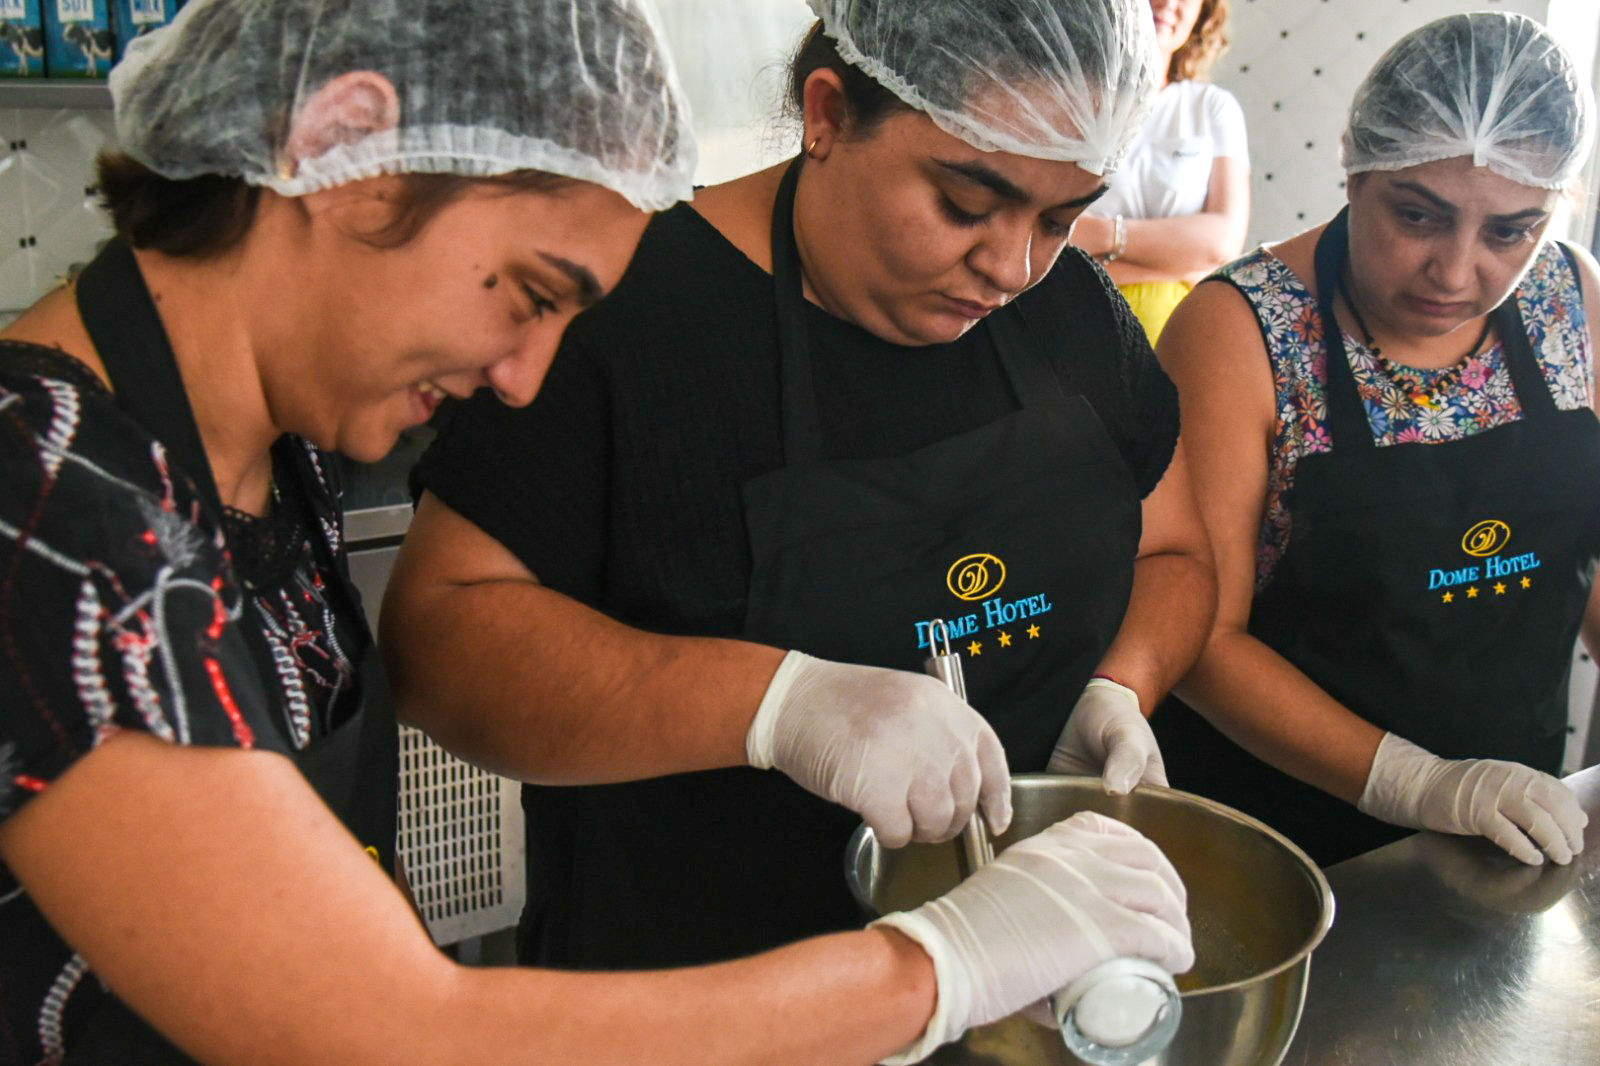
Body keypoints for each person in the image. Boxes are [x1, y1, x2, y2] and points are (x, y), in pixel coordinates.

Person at [0, 1, 1195, 1063]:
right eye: (529, 292)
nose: (524, 379)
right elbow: (384, 1029)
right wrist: (937, 970)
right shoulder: (45, 510)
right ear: (341, 154)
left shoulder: (255, 457)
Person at [384, 0, 1215, 971]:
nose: (1010, 265)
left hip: (1029, 972)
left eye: (1060, 216)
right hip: (698, 983)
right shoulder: (630, 310)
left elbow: (1174, 547)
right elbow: (436, 640)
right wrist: (781, 706)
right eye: (963, 204)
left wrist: (1120, 684)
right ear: (826, 115)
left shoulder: (1070, 308)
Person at [1154, 11, 1598, 869]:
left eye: (1510, 230)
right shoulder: (1241, 330)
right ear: (1357, 168)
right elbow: (1203, 638)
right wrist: (1421, 784)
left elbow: (1579, 549)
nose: (1457, 270)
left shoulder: (1569, 297)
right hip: (1288, 848)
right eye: (1418, 215)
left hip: (1512, 832)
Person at [1069, 0, 1249, 343]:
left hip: (1174, 340)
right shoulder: (1068, 100)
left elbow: (1223, 241)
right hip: (1061, 319)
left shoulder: (1212, 108)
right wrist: (1182, 264)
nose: (1168, 3)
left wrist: (1101, 237)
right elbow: (1044, 241)